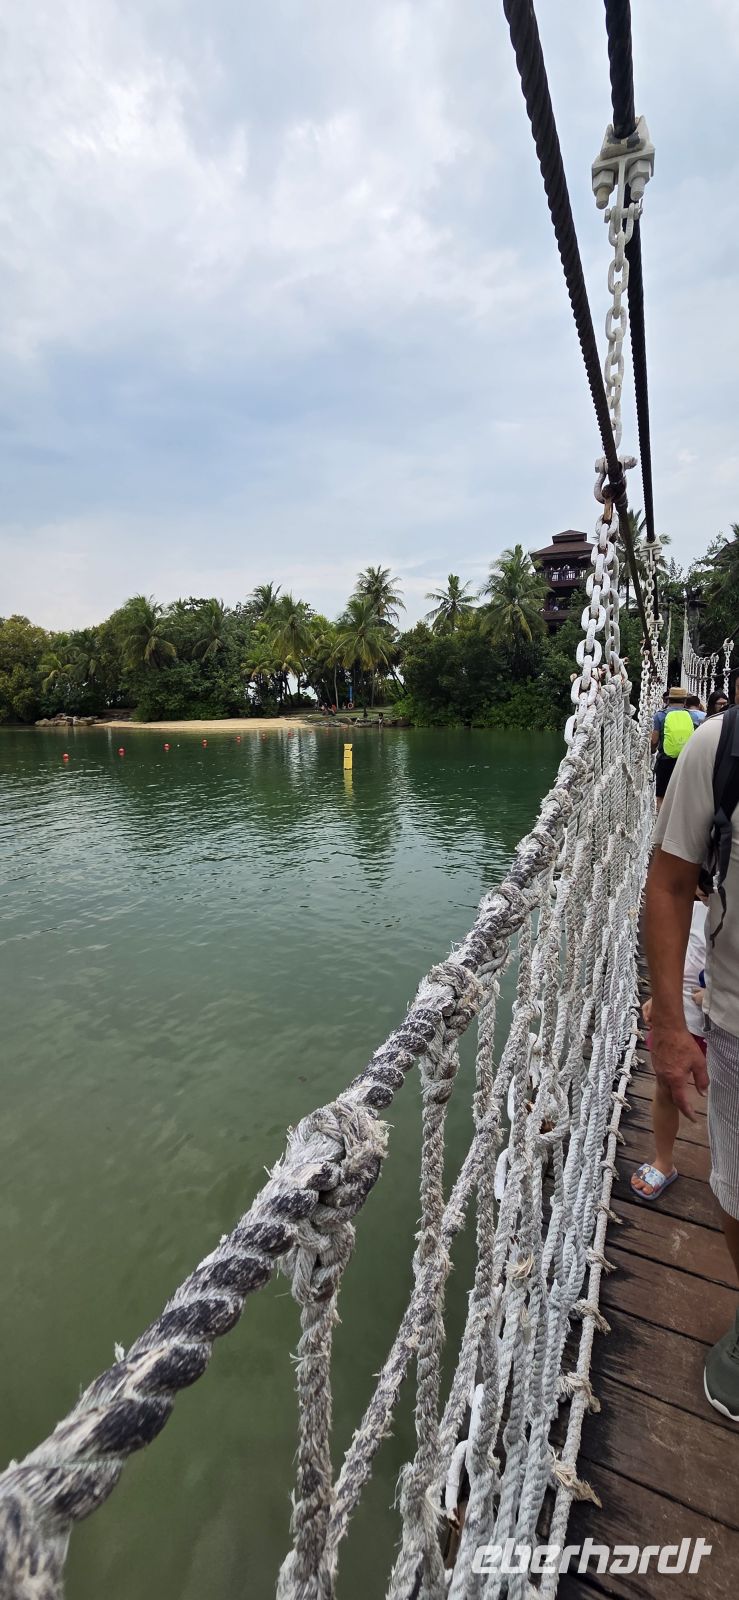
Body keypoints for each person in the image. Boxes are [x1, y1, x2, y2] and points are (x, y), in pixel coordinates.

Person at [645, 706, 739, 1419]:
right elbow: (670, 881)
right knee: (736, 1186)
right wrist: (671, 1023)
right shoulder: (718, 743)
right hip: (733, 1017)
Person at [631, 893, 708, 1201]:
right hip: (683, 1018)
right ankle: (664, 1160)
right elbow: (677, 960)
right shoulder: (687, 907)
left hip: (730, 1019)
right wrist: (662, 998)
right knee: (665, 1087)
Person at [651, 687, 703, 810]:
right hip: (686, 761)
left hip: (665, 760)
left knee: (661, 796)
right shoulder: (693, 717)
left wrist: (652, 749)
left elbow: (654, 740)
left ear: (668, 700)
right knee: (684, 796)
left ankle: (662, 826)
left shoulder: (659, 716)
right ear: (685, 701)